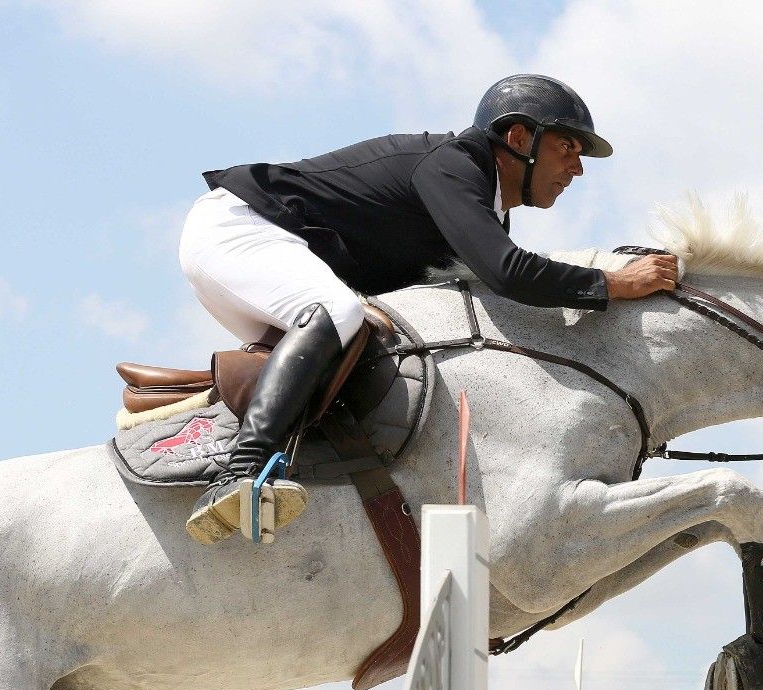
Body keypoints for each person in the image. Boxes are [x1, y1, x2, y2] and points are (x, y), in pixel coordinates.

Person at [178, 73, 680, 544]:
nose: (577, 168)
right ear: (521, 138)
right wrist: (612, 283)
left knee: (357, 358)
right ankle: (240, 474)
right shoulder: (454, 164)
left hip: (266, 255)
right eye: (567, 147)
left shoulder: (485, 205)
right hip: (240, 230)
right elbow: (507, 272)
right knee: (340, 313)